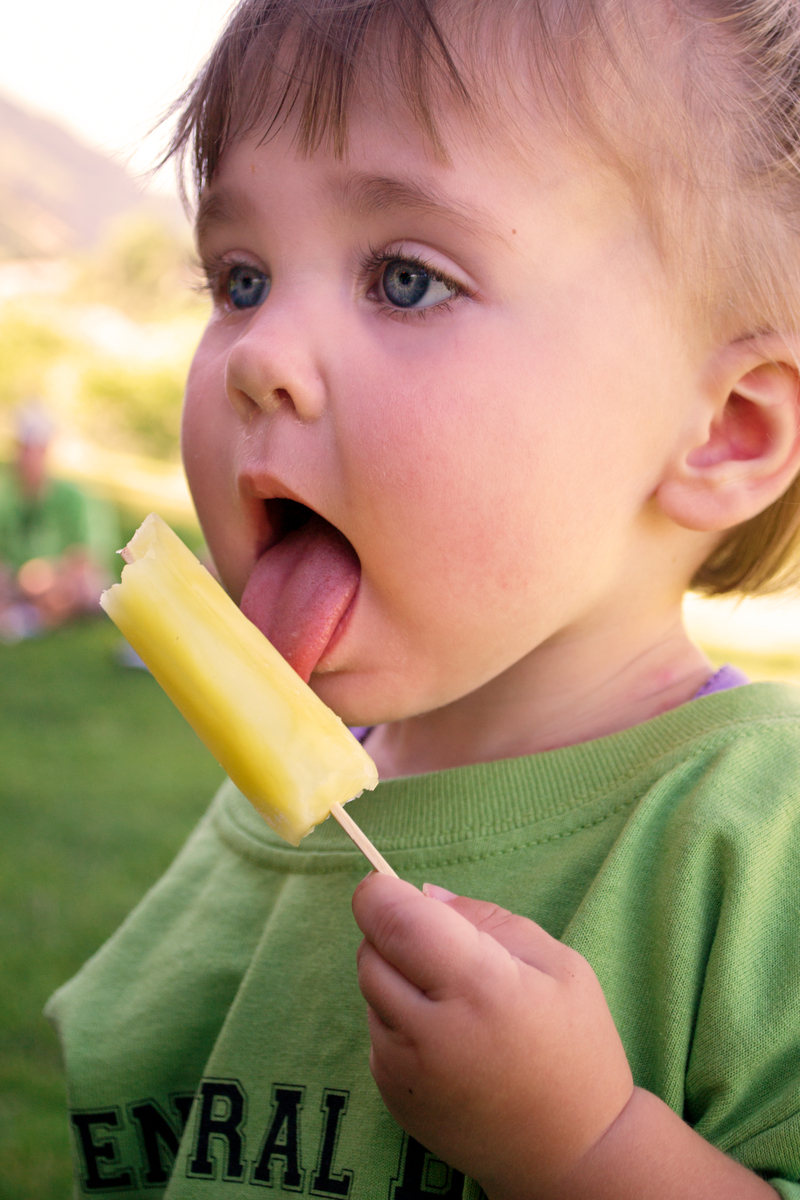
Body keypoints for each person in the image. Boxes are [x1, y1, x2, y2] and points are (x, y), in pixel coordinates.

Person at [46, 1, 800, 1196]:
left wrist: (585, 1146)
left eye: (405, 280)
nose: (256, 355)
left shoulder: (757, 846)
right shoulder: (262, 813)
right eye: (239, 279)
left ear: (722, 434)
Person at [0, 404, 114, 640]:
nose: (30, 457)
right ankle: (32, 615)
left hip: (59, 578)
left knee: (86, 586)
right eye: (25, 448)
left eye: (37, 449)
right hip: (13, 578)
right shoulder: (6, 493)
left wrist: (45, 575)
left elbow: (88, 557)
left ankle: (31, 617)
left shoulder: (73, 497)